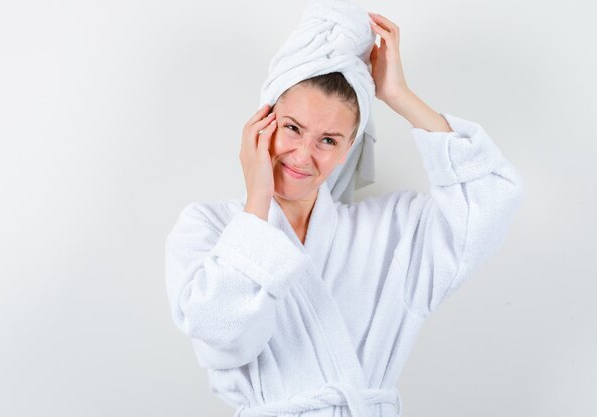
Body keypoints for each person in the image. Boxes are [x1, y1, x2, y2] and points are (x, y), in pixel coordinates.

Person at [165, 11, 523, 417]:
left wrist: (400, 97)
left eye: (328, 140)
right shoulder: (207, 229)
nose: (303, 155)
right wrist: (258, 199)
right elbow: (225, 336)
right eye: (292, 128)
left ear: (349, 149)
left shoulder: (392, 233)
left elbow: (490, 198)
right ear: (262, 123)